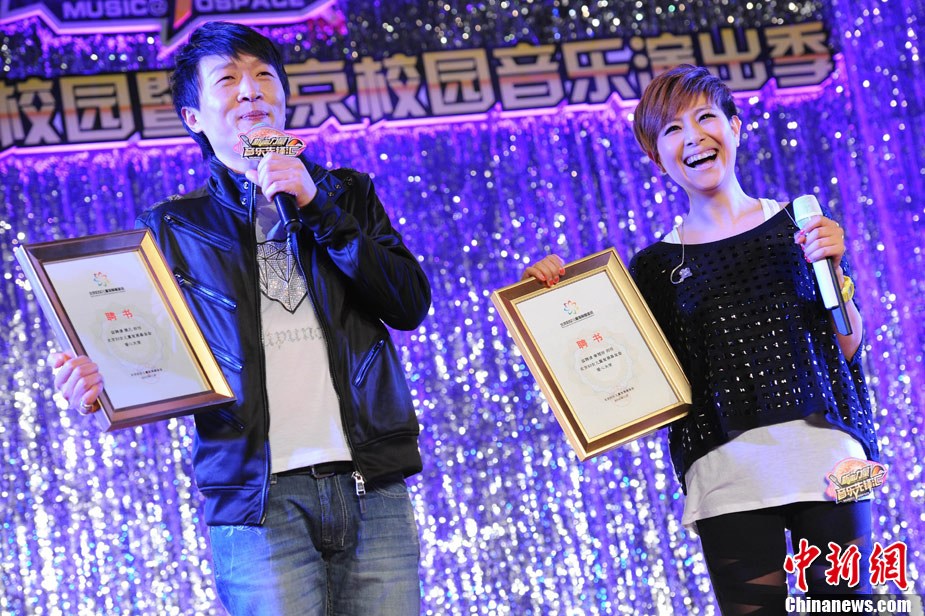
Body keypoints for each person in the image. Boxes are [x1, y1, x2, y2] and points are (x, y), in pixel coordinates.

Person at [49, 21, 431, 616]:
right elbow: (149, 352)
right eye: (227, 80)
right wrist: (103, 388)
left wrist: (318, 207)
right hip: (256, 501)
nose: (250, 90)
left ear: (283, 97)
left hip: (371, 485)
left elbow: (407, 303)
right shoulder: (173, 228)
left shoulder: (347, 193)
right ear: (193, 117)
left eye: (263, 76)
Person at [524, 65, 879, 612]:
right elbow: (637, 378)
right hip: (727, 475)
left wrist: (835, 268)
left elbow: (848, 346)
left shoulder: (802, 222)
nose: (693, 137)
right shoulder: (655, 267)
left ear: (735, 127)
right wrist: (553, 294)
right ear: (656, 157)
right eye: (672, 129)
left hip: (832, 459)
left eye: (706, 118)